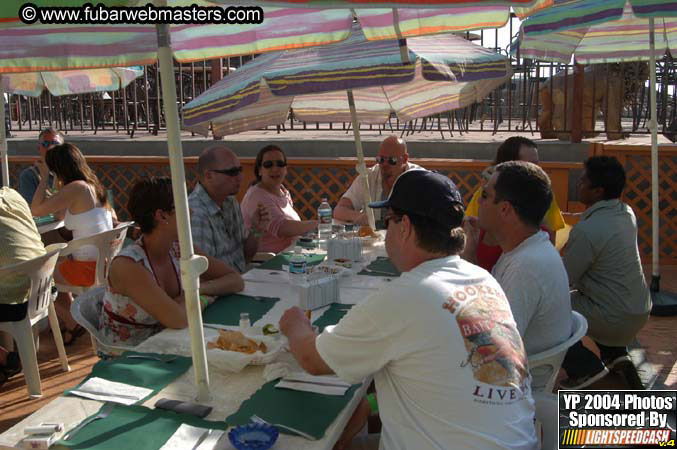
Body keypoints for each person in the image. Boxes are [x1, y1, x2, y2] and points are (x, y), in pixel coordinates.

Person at [280, 170, 538, 450]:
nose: (386, 229)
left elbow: (312, 360)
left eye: (388, 220)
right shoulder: (484, 280)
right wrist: (369, 403)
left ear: (404, 226)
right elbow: (445, 377)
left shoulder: (405, 297)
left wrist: (294, 323)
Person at [466, 161, 572, 390]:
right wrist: (471, 256)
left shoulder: (526, 267)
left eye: (485, 194)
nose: (478, 201)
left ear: (505, 209)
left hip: (512, 387)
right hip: (514, 371)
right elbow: (489, 305)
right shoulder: (524, 250)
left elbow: (493, 350)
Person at [102, 177, 245, 347]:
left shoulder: (178, 248)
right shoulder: (128, 266)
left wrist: (199, 290)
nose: (191, 212)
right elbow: (178, 319)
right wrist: (203, 297)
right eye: (184, 206)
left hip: (172, 342)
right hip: (132, 357)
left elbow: (235, 280)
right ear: (162, 216)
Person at [560, 156, 651, 390]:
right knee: (604, 293)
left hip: (613, 317)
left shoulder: (586, 231)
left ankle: (584, 368)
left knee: (550, 307)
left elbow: (563, 279)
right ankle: (615, 354)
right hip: (639, 310)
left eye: (583, 182)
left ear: (598, 190)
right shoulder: (626, 213)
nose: (578, 185)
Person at [30, 143, 115, 344]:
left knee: (38, 278)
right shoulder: (93, 186)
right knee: (56, 265)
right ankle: (72, 323)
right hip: (105, 265)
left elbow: (36, 210)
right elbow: (61, 213)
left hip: (86, 269)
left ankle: (74, 321)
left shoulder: (76, 188)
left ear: (58, 169)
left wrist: (43, 178)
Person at [464, 137, 566, 272]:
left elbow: (551, 237)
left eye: (537, 164)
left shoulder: (543, 195)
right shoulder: (486, 195)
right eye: (529, 164)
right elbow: (468, 230)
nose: (536, 170)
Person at [189, 145, 270, 272]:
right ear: (209, 176)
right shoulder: (196, 214)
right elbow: (202, 275)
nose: (240, 177)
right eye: (232, 172)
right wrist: (235, 283)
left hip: (239, 282)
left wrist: (256, 230)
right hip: (220, 290)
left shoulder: (230, 202)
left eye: (240, 170)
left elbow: (244, 258)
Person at [0, 187, 46, 386]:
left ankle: (3, 357)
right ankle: (4, 356)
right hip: (42, 287)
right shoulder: (12, 194)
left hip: (16, 298)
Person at [241, 145, 317, 253]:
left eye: (280, 164)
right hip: (268, 261)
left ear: (285, 169)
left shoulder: (283, 191)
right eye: (268, 165)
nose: (275, 169)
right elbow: (281, 228)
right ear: (259, 170)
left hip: (293, 253)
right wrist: (319, 224)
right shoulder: (257, 195)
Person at [334, 136, 422, 227]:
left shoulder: (418, 178)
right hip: (374, 238)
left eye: (392, 160)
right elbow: (339, 210)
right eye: (381, 159)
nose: (385, 164)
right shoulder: (368, 176)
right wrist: (360, 217)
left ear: (405, 159)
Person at [18, 127, 64, 204]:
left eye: (55, 144)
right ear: (38, 148)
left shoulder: (71, 171)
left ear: (63, 148)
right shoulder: (29, 175)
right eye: (45, 144)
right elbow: (31, 207)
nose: (50, 148)